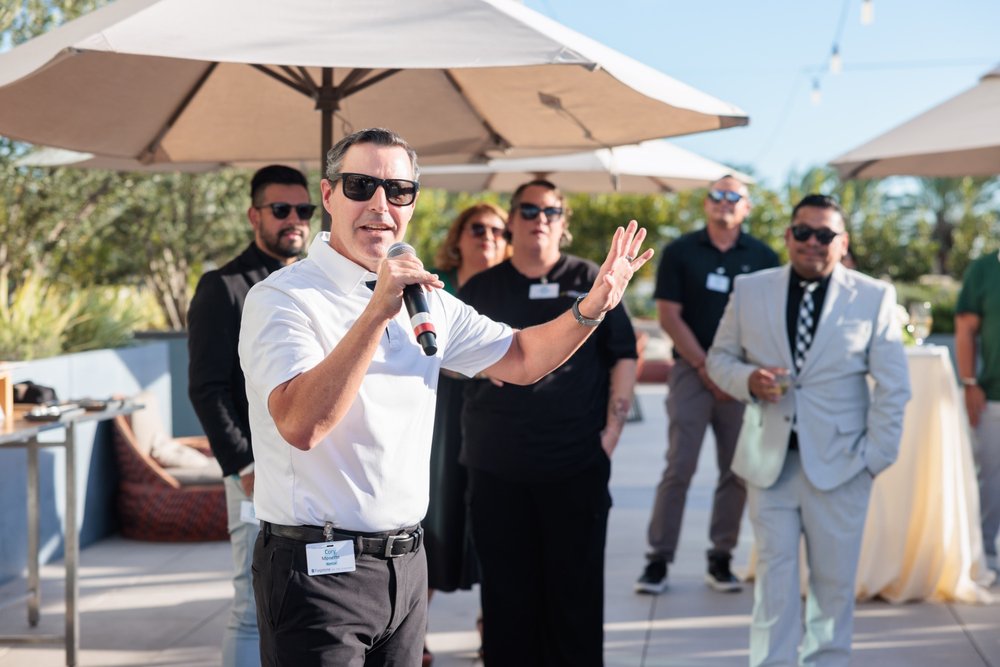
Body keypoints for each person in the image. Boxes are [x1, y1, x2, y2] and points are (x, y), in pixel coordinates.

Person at [238, 128, 652, 667]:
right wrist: (377, 311)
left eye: (398, 190)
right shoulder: (283, 297)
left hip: (406, 565)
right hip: (319, 569)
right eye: (361, 185)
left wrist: (592, 307)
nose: (380, 205)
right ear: (328, 194)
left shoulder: (425, 298)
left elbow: (522, 357)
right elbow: (301, 424)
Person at [706, 194, 910, 666]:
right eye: (803, 232)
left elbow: (894, 386)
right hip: (769, 463)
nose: (812, 242)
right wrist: (748, 380)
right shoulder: (750, 289)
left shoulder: (874, 296)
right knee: (773, 587)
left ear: (843, 242)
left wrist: (875, 458)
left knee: (833, 589)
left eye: (824, 234)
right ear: (788, 235)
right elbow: (719, 359)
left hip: (843, 467)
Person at [459, 179, 638, 666]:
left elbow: (623, 354)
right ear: (511, 220)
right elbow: (446, 360)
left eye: (551, 211)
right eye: (529, 210)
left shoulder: (594, 280)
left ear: (564, 223)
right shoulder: (481, 287)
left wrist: (612, 432)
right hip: (496, 467)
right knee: (507, 603)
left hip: (575, 464)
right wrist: (480, 365)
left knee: (575, 601)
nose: (540, 219)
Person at [187, 164, 312, 667]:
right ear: (254, 216)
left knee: (304, 600)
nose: (294, 220)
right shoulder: (223, 287)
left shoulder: (313, 285)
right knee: (250, 604)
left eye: (303, 209)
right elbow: (207, 388)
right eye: (281, 210)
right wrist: (243, 465)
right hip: (255, 472)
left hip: (311, 469)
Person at [635, 175, 779, 595]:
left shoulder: (764, 256)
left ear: (747, 207)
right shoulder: (680, 251)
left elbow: (768, 320)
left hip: (741, 376)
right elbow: (668, 316)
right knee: (679, 467)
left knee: (737, 472)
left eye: (735, 196)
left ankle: (721, 558)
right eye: (718, 194)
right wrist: (707, 367)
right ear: (706, 203)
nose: (725, 202)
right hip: (691, 372)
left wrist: (736, 373)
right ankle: (658, 560)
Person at [423, 203, 510, 665]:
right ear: (458, 237)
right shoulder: (435, 285)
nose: (489, 237)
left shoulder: (510, 285)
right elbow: (425, 350)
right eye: (478, 228)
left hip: (497, 417)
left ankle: (491, 624)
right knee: (434, 521)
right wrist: (481, 367)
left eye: (499, 230)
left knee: (492, 524)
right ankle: (412, 628)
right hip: (439, 414)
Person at [955, 249, 1000, 574]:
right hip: (994, 396)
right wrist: (969, 382)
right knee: (990, 483)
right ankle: (986, 558)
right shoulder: (984, 270)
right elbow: (966, 329)